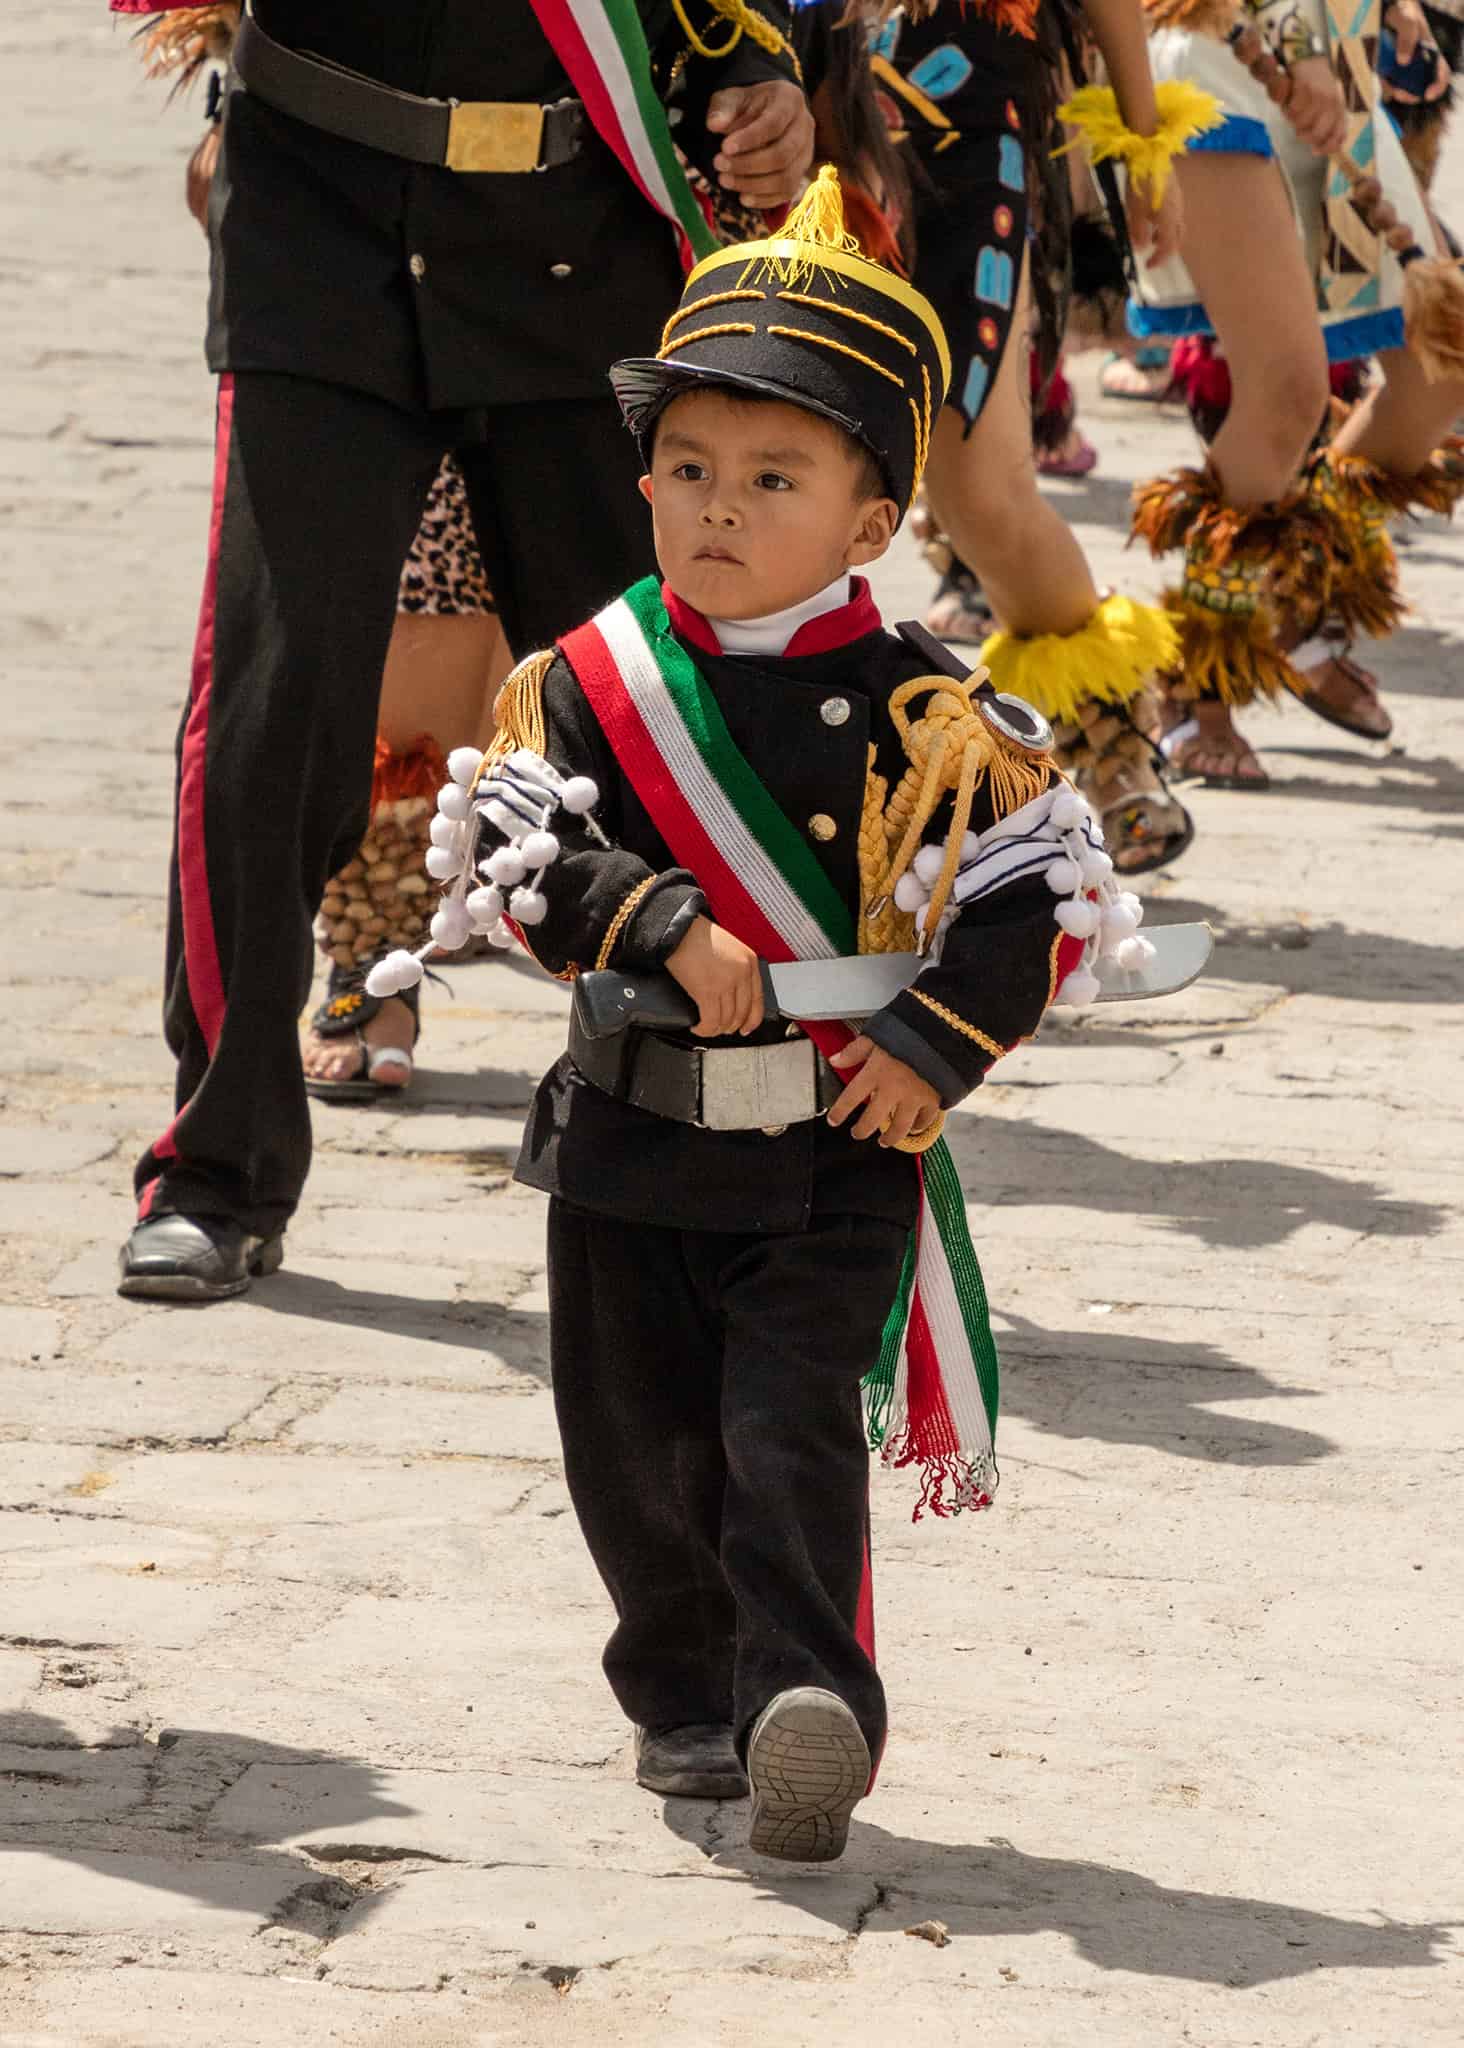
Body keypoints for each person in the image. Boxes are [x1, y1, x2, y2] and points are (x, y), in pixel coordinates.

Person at [452, 171, 1119, 1859]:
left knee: (779, 1421)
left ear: (868, 519)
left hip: (831, 1138)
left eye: (770, 477)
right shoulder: (586, 684)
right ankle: (680, 1698)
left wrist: (929, 1044)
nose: (716, 508)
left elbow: (1026, 893)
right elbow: (522, 857)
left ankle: (800, 1705)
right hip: (625, 1124)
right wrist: (655, 920)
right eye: (685, 468)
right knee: (633, 1445)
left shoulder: (933, 712)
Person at [111, 0, 815, 1301]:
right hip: (315, 230)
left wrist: (764, 71)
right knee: (275, 711)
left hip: (575, 238)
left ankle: (705, 1153)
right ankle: (218, 1167)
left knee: (654, 717)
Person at [868, 0, 1214, 872]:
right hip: (777, 97)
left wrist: (1144, 145)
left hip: (965, 112)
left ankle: (1110, 744)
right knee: (754, 459)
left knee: (979, 496)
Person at [1123, 0, 1464, 784]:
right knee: (1284, 395)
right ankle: (1191, 688)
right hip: (1214, 42)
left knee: (1440, 362)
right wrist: (1304, 35)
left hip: (1330, 46)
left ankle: (1283, 594)